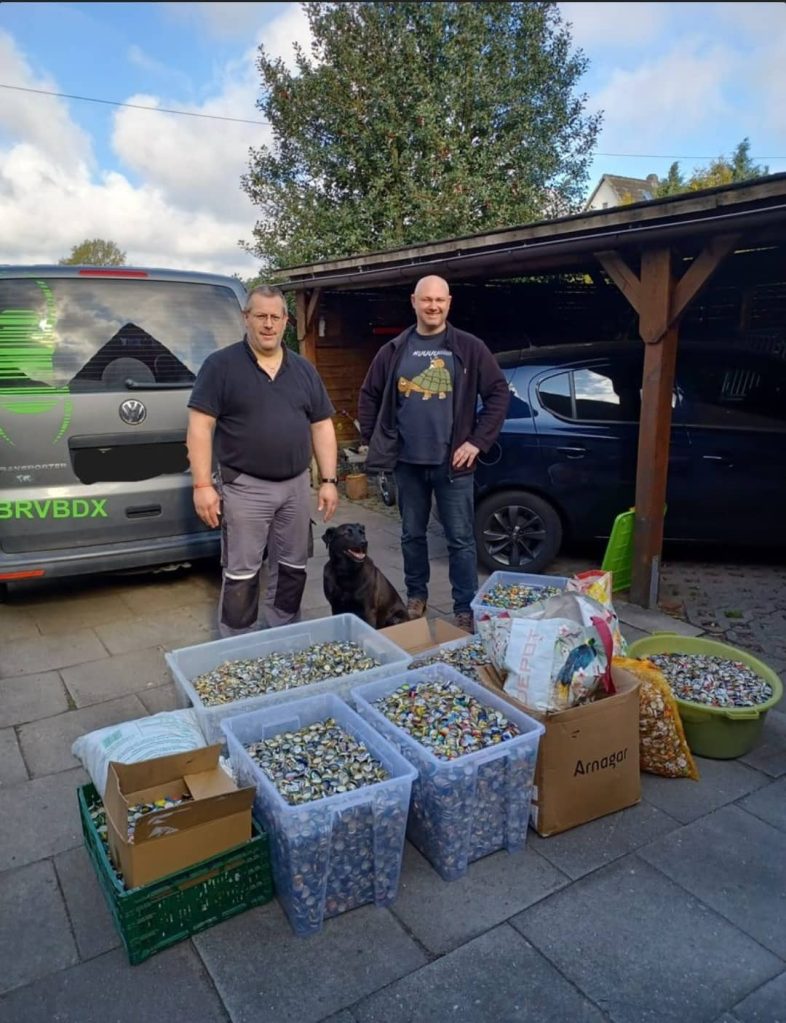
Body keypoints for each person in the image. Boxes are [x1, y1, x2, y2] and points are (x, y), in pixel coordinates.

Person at [357, 275, 509, 631]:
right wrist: (376, 439)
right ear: (414, 301)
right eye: (426, 300)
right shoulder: (394, 351)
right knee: (412, 535)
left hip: (454, 464)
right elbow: (369, 395)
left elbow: (499, 394)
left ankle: (464, 607)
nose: (433, 306)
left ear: (449, 302)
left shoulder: (469, 348)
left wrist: (476, 442)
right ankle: (415, 597)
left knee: (460, 540)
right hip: (407, 464)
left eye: (439, 300)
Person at [187, 285, 339, 636]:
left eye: (275, 317)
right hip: (244, 487)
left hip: (297, 487)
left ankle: (283, 632)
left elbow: (322, 426)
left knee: (293, 567)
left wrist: (329, 481)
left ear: (285, 321)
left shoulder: (303, 370)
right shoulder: (220, 366)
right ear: (246, 318)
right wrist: (202, 486)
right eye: (261, 316)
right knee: (242, 572)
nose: (268, 324)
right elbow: (199, 427)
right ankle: (238, 643)